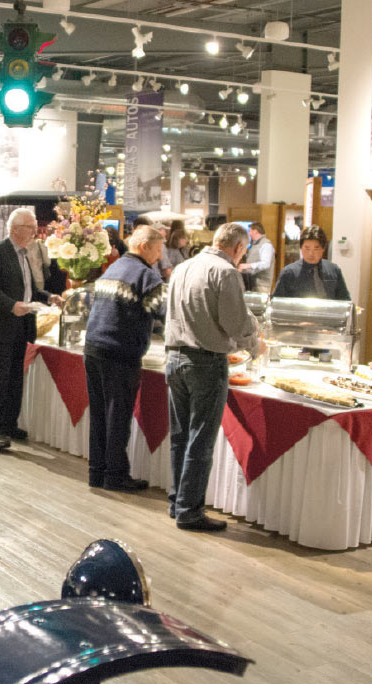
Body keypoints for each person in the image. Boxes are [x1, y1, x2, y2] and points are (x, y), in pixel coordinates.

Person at [164, 223, 264, 532]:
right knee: (200, 440)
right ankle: (190, 511)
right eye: (243, 251)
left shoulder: (184, 267)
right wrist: (254, 343)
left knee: (181, 436)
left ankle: (177, 501)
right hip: (205, 363)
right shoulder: (226, 272)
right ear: (237, 248)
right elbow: (235, 321)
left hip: (174, 358)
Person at [84, 226, 166, 491]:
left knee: (99, 416)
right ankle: (116, 476)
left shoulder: (115, 267)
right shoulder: (145, 275)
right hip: (120, 353)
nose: (160, 255)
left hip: (94, 348)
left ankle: (97, 472)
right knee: (118, 417)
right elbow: (166, 312)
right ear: (145, 247)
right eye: (158, 248)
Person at [0, 208, 63, 451]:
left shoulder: (25, 254)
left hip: (21, 324)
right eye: (31, 227)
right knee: (1, 378)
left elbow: (28, 290)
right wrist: (11, 305)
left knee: (15, 377)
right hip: (0, 325)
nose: (35, 232)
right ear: (15, 229)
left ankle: (10, 424)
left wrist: (48, 297)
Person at [271, 225, 350, 300]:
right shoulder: (289, 273)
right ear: (301, 248)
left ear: (323, 248)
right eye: (307, 248)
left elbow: (344, 300)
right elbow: (277, 302)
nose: (311, 254)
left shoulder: (333, 270)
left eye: (316, 248)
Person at [237, 222, 275, 293]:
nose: (249, 234)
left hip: (262, 285)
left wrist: (247, 266)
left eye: (250, 231)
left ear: (255, 231)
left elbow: (265, 264)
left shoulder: (266, 245)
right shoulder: (253, 245)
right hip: (252, 283)